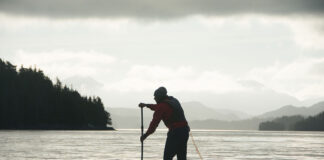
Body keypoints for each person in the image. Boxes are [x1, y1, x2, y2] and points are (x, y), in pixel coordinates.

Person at [139, 87, 190, 160]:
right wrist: (146, 105)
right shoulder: (173, 100)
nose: (154, 98)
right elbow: (158, 107)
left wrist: (145, 135)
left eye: (155, 96)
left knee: (167, 157)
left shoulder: (162, 106)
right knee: (181, 157)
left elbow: (153, 125)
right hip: (185, 131)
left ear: (160, 96)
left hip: (175, 133)